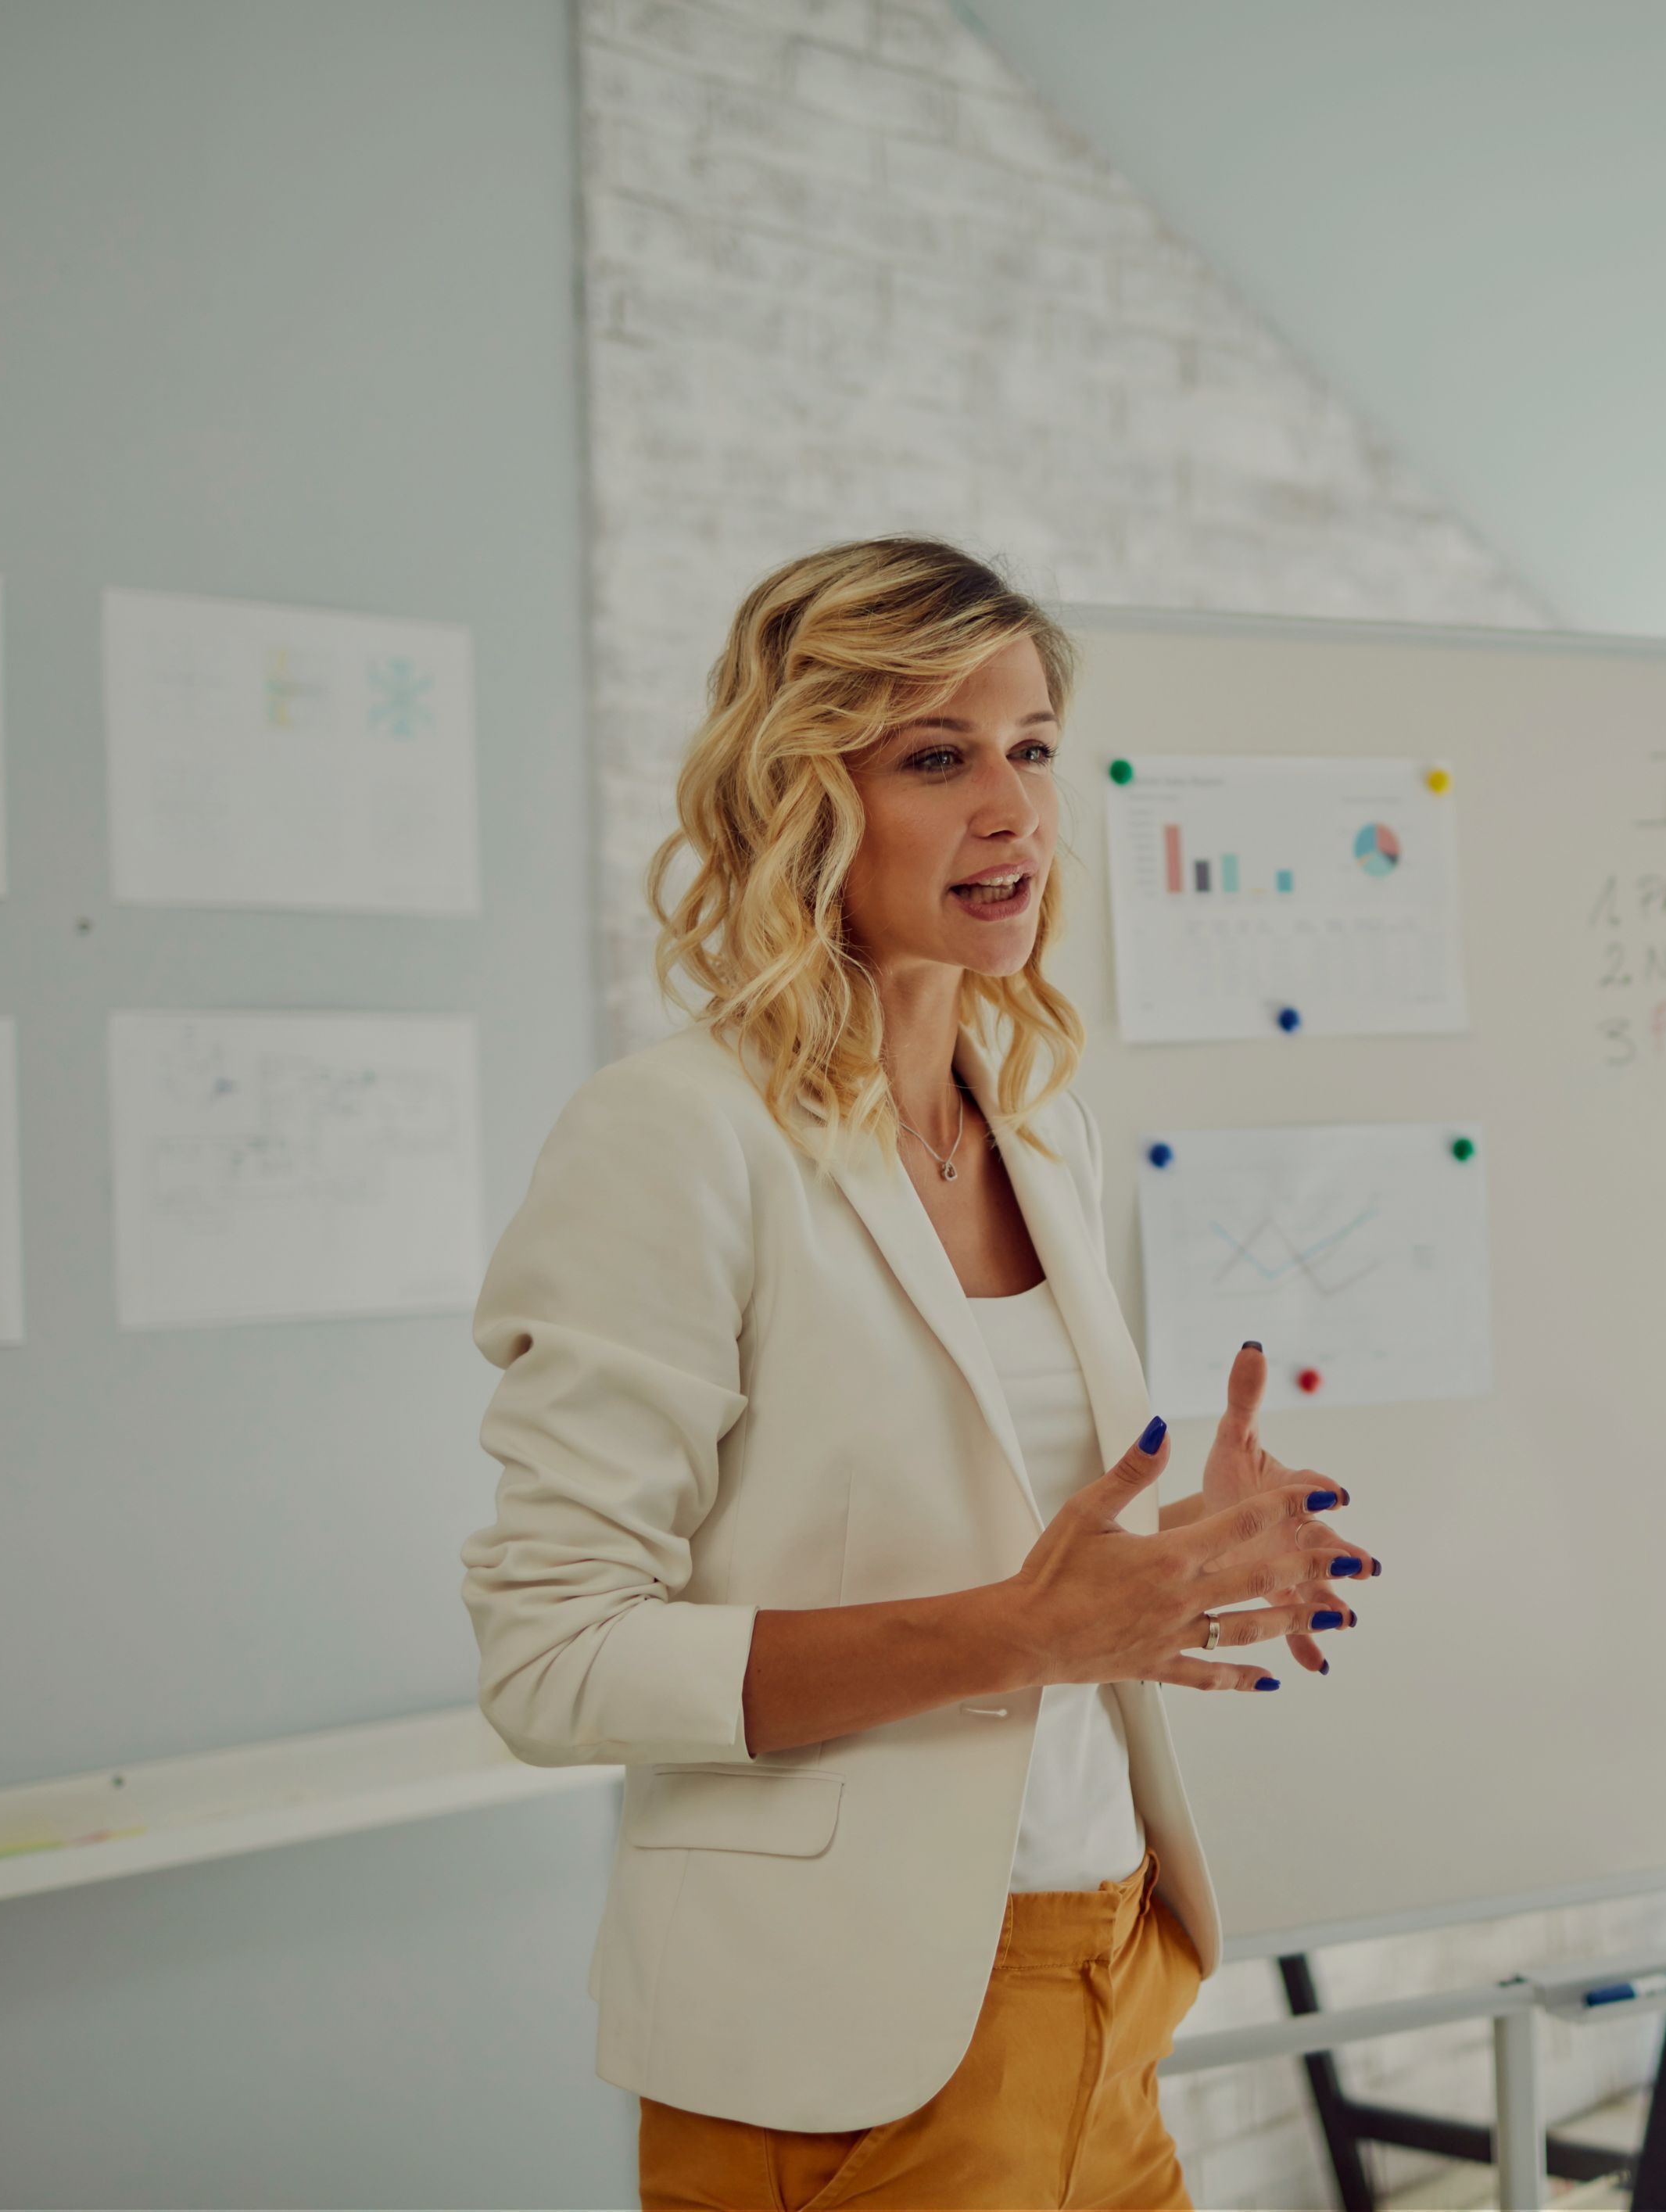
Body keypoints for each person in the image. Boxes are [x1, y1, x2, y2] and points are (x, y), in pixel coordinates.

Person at [460, 537, 1373, 2210]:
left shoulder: (1040, 1127)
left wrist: (1183, 1558)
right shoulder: (673, 1137)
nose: (1014, 809)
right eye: (935, 758)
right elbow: (554, 1656)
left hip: (1105, 1964)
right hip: (850, 2037)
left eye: (1030, 747)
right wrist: (1024, 1634)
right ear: (802, 797)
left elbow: (967, 1525)